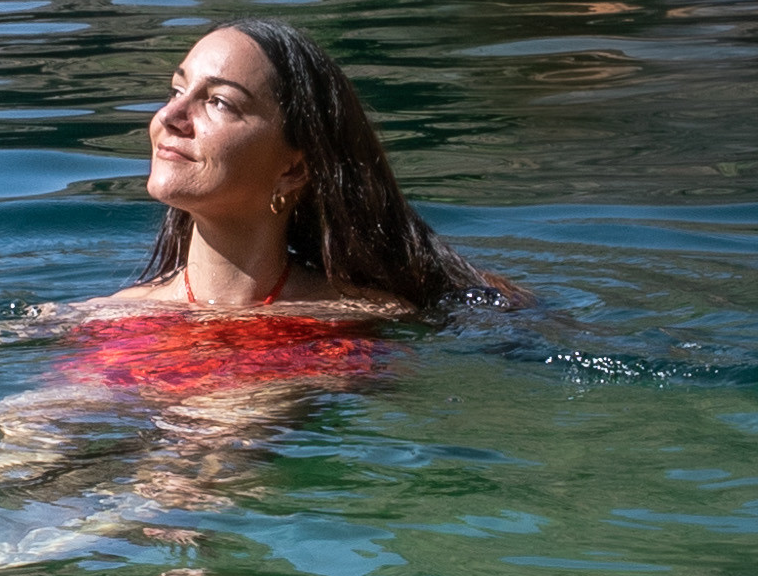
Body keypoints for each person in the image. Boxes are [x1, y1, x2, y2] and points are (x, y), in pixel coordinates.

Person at [63, 20, 473, 352]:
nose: (170, 116)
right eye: (176, 90)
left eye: (219, 102)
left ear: (293, 168)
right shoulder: (102, 321)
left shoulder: (355, 324)